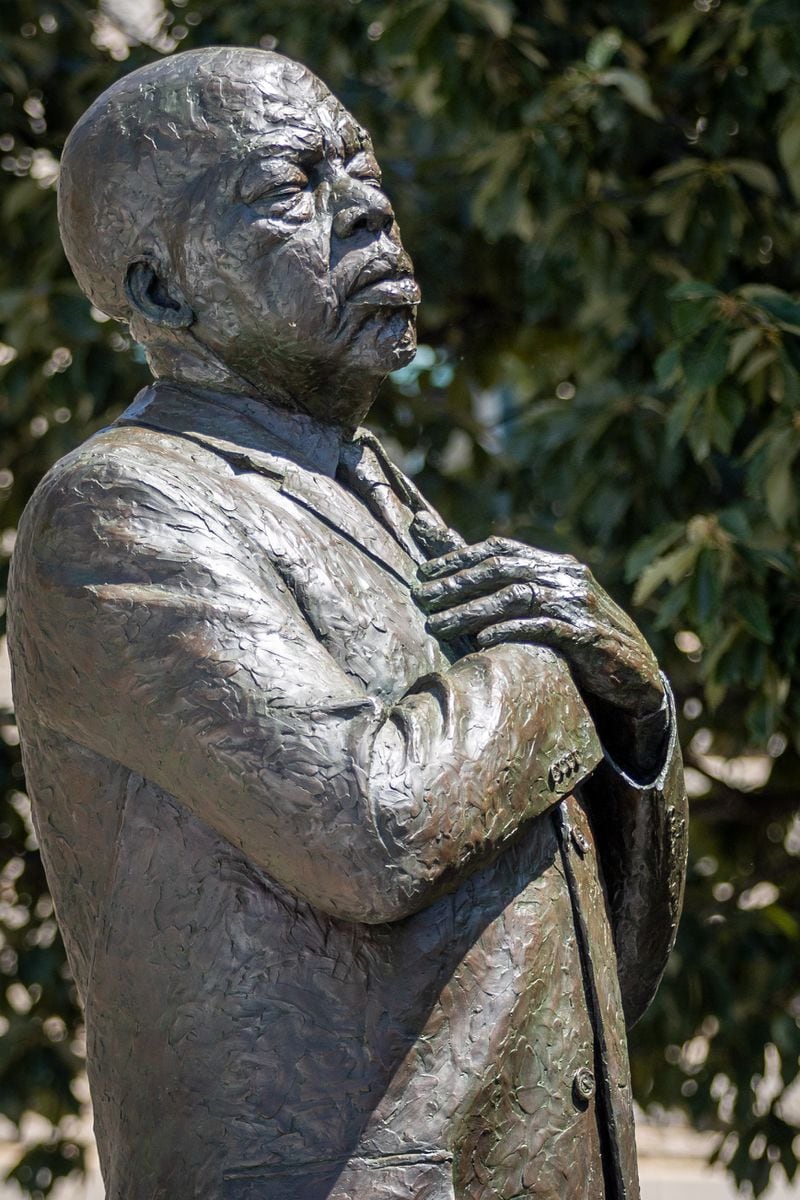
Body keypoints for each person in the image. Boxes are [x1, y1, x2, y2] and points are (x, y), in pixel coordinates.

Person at [7, 47, 687, 1200]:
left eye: (361, 164)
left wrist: (634, 710)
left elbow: (602, 960)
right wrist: (555, 658)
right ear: (162, 290)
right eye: (289, 184)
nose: (365, 201)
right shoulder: (125, 507)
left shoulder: (378, 499)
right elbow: (371, 826)